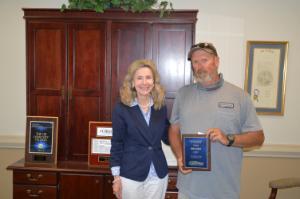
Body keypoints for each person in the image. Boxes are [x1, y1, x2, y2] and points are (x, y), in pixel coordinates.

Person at [169, 42, 265, 199]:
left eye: (205, 60)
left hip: (224, 190)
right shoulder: (183, 94)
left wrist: (228, 139)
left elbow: (258, 138)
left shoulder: (239, 96)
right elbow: (173, 130)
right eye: (195, 62)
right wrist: (180, 156)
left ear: (217, 61)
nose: (200, 66)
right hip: (189, 188)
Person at [110, 59, 170, 199]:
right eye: (139, 78)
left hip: (158, 174)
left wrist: (182, 129)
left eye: (148, 78)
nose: (144, 82)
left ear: (154, 82)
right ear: (132, 83)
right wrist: (116, 178)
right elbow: (116, 143)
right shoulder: (122, 108)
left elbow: (167, 136)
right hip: (130, 174)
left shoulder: (160, 107)